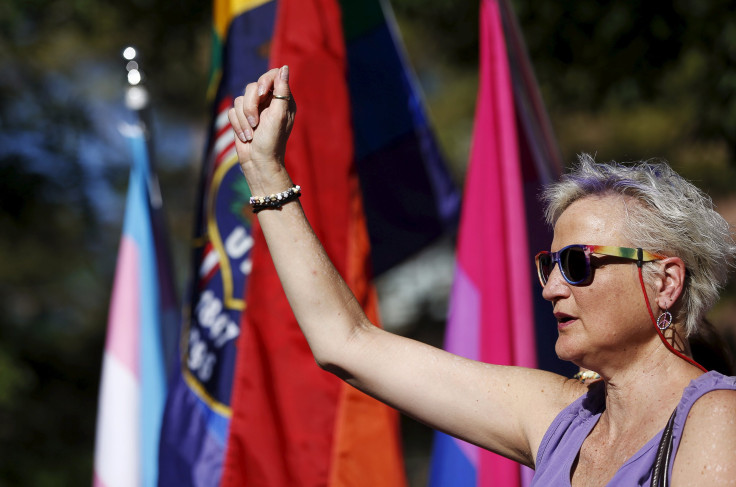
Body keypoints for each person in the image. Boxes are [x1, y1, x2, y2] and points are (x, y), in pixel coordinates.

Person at [228, 66, 736, 486]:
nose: (551, 286)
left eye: (578, 264)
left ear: (665, 281)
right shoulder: (560, 416)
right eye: (549, 265)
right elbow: (346, 343)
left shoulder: (716, 418)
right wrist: (265, 171)